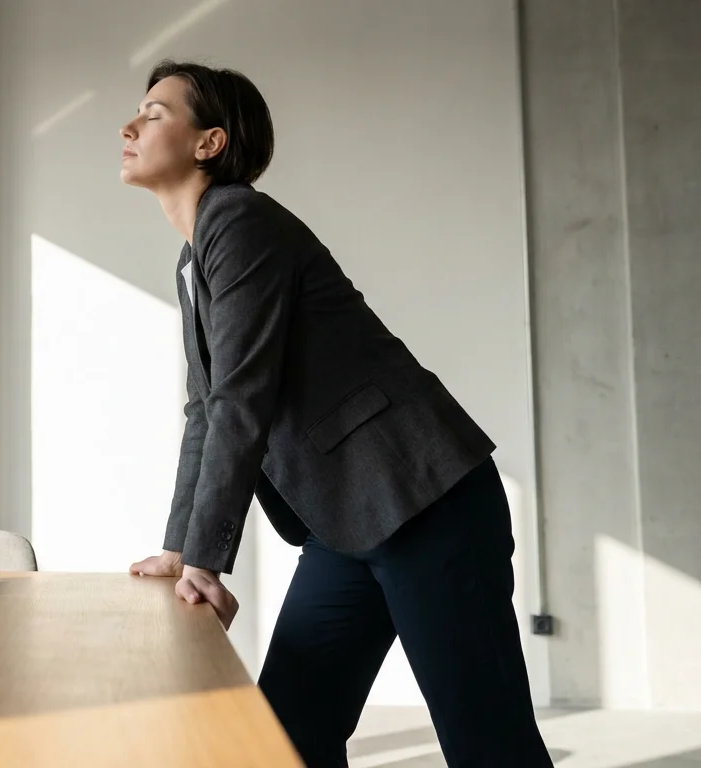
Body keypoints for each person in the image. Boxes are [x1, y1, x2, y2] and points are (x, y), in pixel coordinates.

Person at [120, 60, 551, 767]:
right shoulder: (192, 259)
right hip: (348, 520)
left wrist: (207, 556)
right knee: (289, 737)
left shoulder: (238, 219)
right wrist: (180, 547)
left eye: (155, 112)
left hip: (424, 502)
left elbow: (240, 398)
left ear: (210, 143)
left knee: (488, 744)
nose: (129, 126)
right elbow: (205, 409)